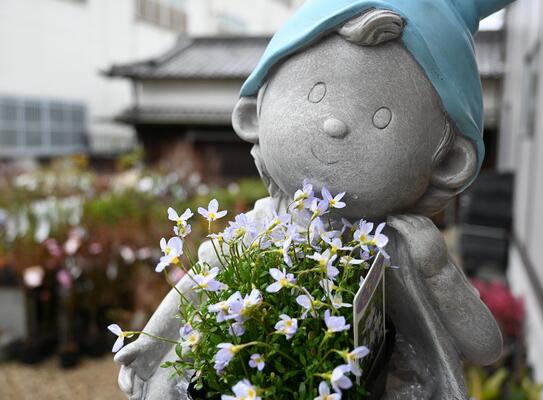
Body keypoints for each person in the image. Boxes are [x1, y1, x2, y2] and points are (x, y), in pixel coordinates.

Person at [115, 1, 515, 398]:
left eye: (381, 118)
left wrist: (438, 271)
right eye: (315, 93)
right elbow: (204, 282)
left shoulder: (403, 246)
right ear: (253, 113)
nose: (334, 124)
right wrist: (152, 344)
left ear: (448, 162)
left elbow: (484, 346)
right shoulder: (267, 224)